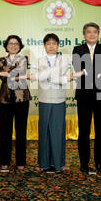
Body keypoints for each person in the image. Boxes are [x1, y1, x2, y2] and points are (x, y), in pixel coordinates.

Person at [72, 22, 101, 174]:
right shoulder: (78, 49)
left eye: (94, 32)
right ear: (84, 34)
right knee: (83, 130)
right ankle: (84, 163)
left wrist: (88, 70)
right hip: (83, 94)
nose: (92, 34)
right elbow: (78, 67)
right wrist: (95, 72)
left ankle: (99, 162)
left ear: (98, 34)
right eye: (89, 32)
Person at [32, 33, 73, 174]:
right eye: (48, 43)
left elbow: (58, 78)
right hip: (44, 100)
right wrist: (54, 75)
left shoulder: (64, 60)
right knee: (44, 132)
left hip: (59, 100)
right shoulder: (39, 61)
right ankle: (43, 163)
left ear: (58, 45)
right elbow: (40, 78)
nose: (51, 46)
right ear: (44, 46)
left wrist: (47, 74)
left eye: (54, 43)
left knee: (58, 132)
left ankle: (59, 163)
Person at [0, 35, 31, 172]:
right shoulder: (1, 60)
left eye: (16, 43)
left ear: (20, 45)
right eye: (10, 43)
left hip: (21, 98)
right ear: (6, 45)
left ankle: (20, 161)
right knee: (5, 131)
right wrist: (13, 74)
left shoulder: (24, 59)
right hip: (5, 98)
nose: (13, 45)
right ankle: (4, 161)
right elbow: (3, 77)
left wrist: (9, 73)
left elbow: (20, 73)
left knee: (21, 131)